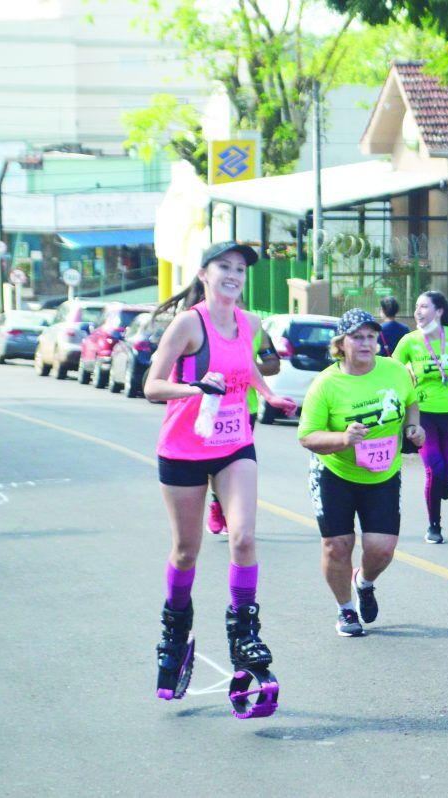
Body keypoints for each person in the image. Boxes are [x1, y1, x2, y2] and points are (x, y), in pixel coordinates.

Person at [144, 241, 297, 709]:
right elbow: (151, 385)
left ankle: (245, 632)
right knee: (187, 550)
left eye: (240, 270)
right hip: (184, 449)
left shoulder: (249, 322)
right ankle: (174, 632)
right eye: (224, 267)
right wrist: (193, 387)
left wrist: (267, 393)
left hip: (233, 443)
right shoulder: (188, 323)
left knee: (244, 537)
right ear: (205, 274)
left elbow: (246, 365)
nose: (234, 275)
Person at [298, 309, 425, 637]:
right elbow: (307, 436)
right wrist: (342, 439)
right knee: (337, 545)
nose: (365, 343)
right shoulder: (325, 385)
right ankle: (345, 609)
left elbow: (411, 401)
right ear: (341, 344)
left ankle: (364, 582)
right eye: (357, 337)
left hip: (382, 473)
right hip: (334, 473)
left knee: (382, 548)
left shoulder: (394, 371)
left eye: (371, 336)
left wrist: (413, 426)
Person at [392, 291, 448, 544]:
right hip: (422, 415)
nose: (418, 312)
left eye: (424, 307)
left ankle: (442, 484)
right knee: (434, 469)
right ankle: (434, 526)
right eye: (417, 307)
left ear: (439, 311)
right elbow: (393, 371)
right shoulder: (409, 341)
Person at [206, 318, 281, 536]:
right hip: (213, 405)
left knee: (236, 462)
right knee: (214, 461)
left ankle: (228, 509)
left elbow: (273, 364)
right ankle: (217, 502)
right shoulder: (205, 326)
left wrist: (244, 364)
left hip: (245, 408)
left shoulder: (256, 330)